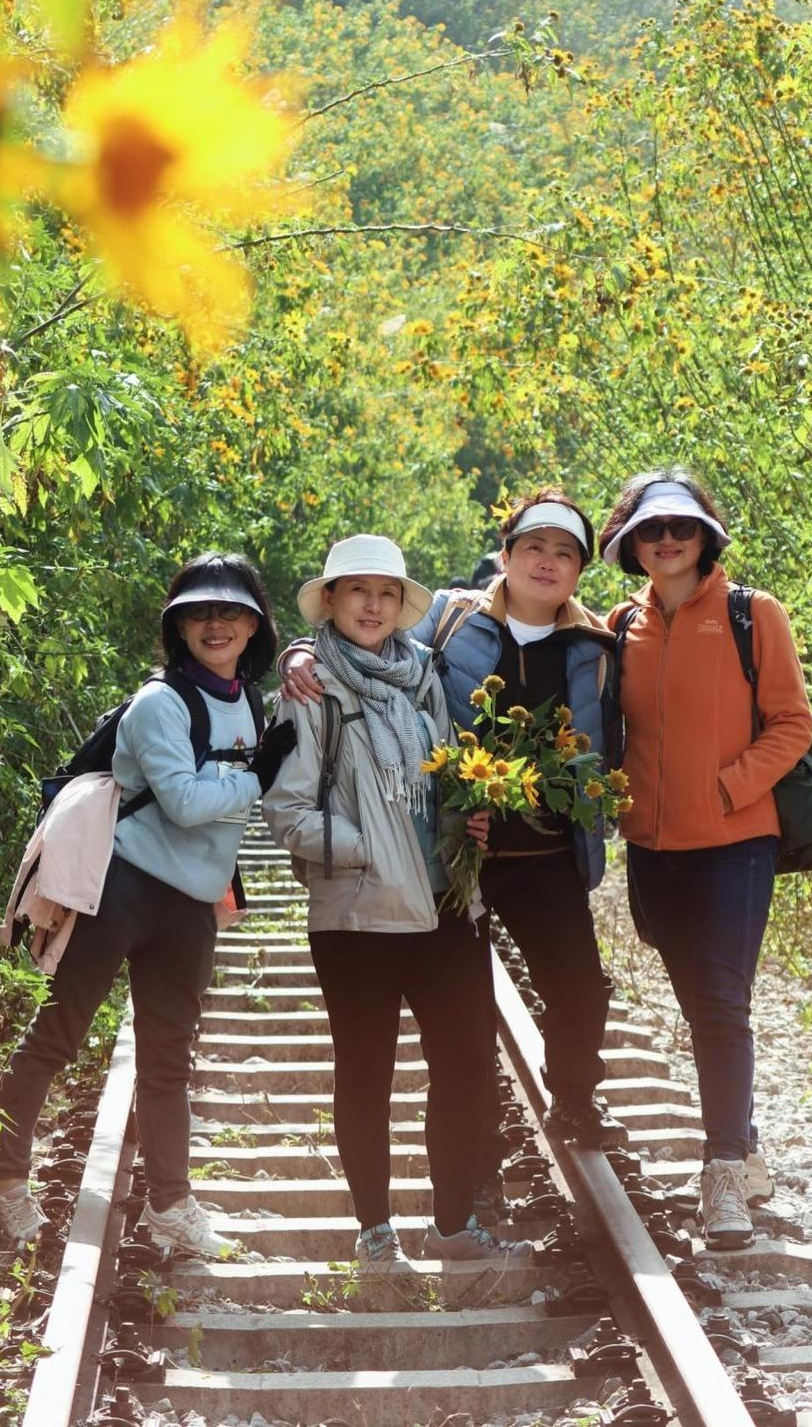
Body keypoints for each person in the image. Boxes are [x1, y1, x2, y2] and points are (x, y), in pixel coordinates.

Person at [281, 490, 618, 1216]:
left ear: (582, 568)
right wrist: (298, 649)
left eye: (566, 552)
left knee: (569, 996)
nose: (548, 562)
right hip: (449, 864)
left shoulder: (598, 646)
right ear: (507, 555)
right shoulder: (452, 623)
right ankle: (469, 1191)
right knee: (454, 1042)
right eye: (535, 547)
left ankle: (569, 1106)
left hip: (538, 857)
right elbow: (362, 642)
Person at [0, 552, 294, 1253]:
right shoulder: (159, 703)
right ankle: (2, 1180)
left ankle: (171, 1205)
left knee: (170, 1058)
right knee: (60, 1034)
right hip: (121, 888)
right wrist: (260, 778)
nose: (216, 624)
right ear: (177, 627)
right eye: (199, 613)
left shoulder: (246, 699)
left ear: (254, 626)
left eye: (231, 611)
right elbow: (183, 805)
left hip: (190, 901)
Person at [262, 533, 531, 1284]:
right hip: (359, 918)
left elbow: (441, 777)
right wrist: (367, 852)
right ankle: (376, 1234)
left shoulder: (424, 679)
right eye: (357, 592)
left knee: (468, 1065)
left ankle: (451, 1225)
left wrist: (464, 819)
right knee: (366, 1073)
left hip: (445, 904)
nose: (373, 606)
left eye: (386, 593)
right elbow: (285, 807)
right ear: (333, 603)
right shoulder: (307, 689)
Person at [597, 470, 812, 1250]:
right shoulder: (620, 626)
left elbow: (793, 723)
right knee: (699, 1006)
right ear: (629, 543)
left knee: (722, 1006)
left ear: (704, 536)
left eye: (680, 529)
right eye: (650, 532)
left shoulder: (753, 615)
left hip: (734, 846)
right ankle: (744, 1139)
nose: (665, 541)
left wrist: (730, 790)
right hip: (653, 852)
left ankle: (723, 1176)